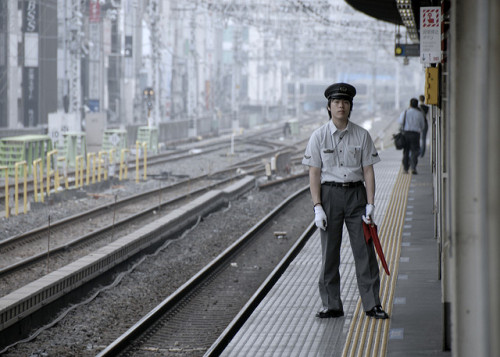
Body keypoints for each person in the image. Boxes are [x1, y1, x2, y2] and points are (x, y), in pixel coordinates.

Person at [302, 83, 389, 320]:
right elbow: (314, 173)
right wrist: (317, 206)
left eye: (345, 102)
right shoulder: (318, 136)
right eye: (336, 102)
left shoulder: (362, 134)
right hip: (329, 196)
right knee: (329, 253)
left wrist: (370, 203)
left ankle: (372, 304)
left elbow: (368, 171)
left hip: (356, 197)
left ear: (350, 107)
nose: (341, 106)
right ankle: (332, 304)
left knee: (365, 252)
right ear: (328, 107)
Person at [398, 98, 426, 174]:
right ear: (417, 105)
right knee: (414, 151)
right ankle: (413, 168)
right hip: (415, 135)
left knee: (406, 151)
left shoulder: (405, 112)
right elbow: (423, 126)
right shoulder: (419, 114)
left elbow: (400, 122)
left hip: (406, 134)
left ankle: (405, 169)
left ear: (410, 104)